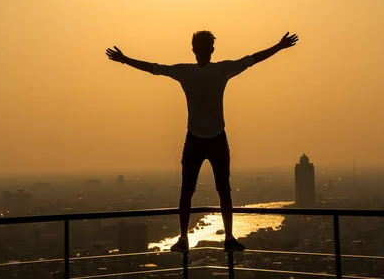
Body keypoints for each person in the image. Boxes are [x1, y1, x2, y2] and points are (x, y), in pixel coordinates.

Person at [105, 31, 299, 253]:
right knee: (222, 190)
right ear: (212, 50)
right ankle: (227, 236)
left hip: (197, 138)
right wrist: (279, 46)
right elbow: (252, 59)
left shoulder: (186, 72)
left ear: (194, 50)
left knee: (188, 191)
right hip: (214, 137)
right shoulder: (221, 70)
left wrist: (125, 60)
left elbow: (153, 68)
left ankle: (185, 238)